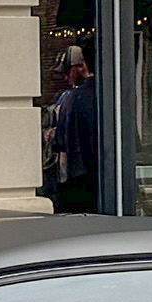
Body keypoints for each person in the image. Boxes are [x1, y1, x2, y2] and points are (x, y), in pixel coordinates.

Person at [49, 44, 100, 214]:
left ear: (81, 66)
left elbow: (60, 141)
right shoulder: (110, 93)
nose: (65, 78)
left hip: (78, 179)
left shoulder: (72, 99)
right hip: (99, 180)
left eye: (67, 72)